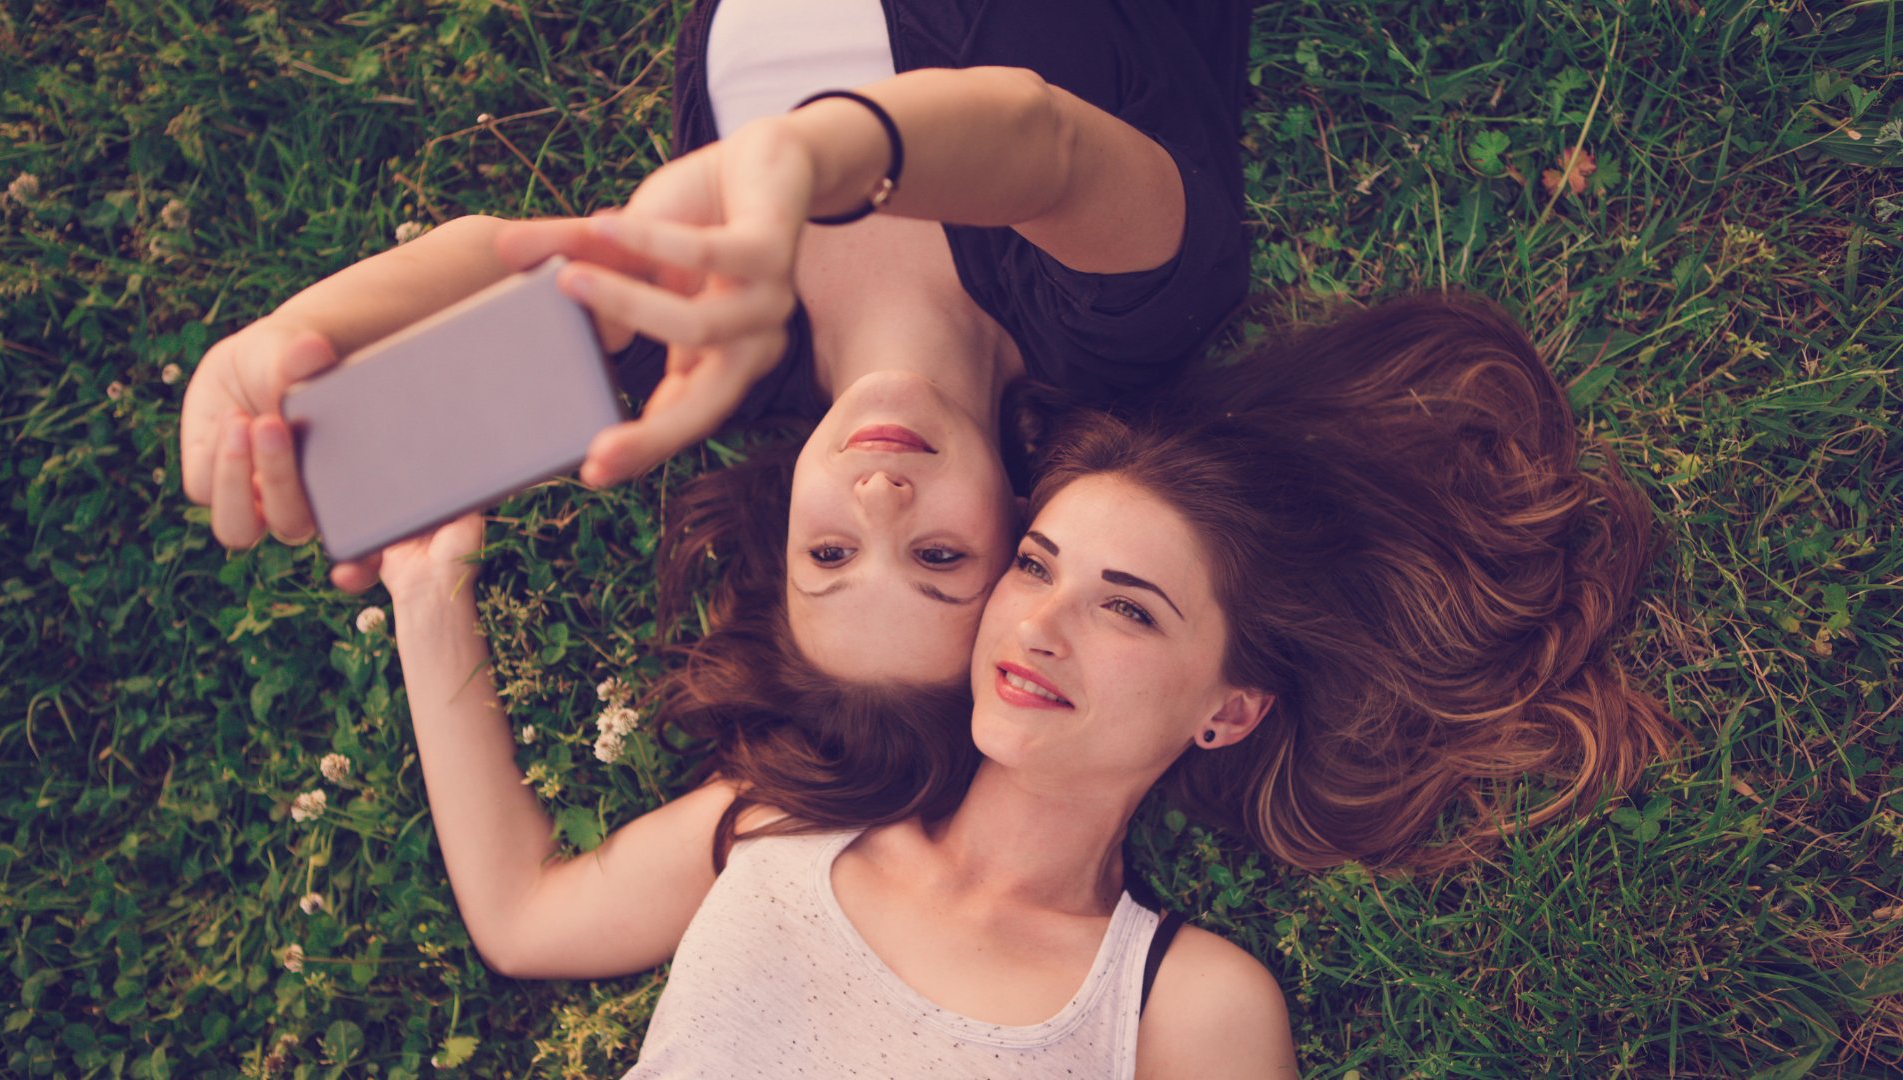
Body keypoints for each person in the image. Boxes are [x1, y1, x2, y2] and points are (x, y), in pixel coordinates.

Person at [372, 293, 1676, 1075]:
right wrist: (430, 594)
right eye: (1038, 563)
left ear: (1229, 708)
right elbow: (526, 917)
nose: (1041, 624)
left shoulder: (1186, 1006)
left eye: (1128, 608)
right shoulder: (782, 827)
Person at [178, 0, 1251, 696]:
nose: (879, 500)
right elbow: (1039, 140)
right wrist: (803, 157)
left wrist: (270, 350)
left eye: (828, 557)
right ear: (1023, 533)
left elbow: (502, 261)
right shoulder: (1122, 319)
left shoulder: (704, 355)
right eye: (939, 559)